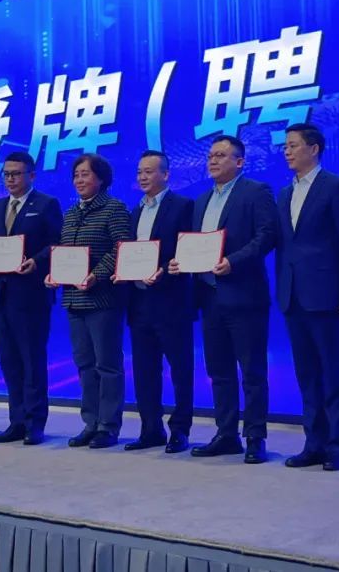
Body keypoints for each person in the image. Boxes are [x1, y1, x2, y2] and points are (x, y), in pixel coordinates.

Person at [169, 134, 277, 464]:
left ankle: (255, 437)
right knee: (219, 370)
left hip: (244, 295)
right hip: (209, 296)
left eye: (220, 155)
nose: (212, 161)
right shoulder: (201, 200)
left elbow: (267, 236)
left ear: (239, 162)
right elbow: (197, 246)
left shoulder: (256, 191)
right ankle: (226, 434)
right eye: (210, 156)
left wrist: (234, 261)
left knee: (252, 371)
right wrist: (180, 262)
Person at [276, 123, 339, 472]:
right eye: (285, 146)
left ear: (314, 149)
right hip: (293, 295)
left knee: (333, 373)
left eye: (293, 145)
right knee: (307, 374)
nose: (287, 151)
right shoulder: (285, 193)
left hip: (327, 294)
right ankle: (313, 444)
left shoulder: (336, 186)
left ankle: (338, 446)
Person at [0, 151, 62, 446]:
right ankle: (16, 421)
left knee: (32, 361)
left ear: (31, 175)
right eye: (6, 174)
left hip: (31, 296)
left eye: (16, 174)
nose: (10, 179)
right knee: (9, 362)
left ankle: (35, 423)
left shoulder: (46, 204)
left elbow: (57, 244)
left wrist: (37, 261)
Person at [45, 153, 131, 449]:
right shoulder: (71, 213)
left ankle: (108, 426)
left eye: (85, 174)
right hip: (74, 299)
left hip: (102, 299)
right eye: (76, 175)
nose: (79, 180)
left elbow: (121, 249)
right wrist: (55, 274)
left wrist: (97, 274)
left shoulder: (114, 209)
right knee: (84, 363)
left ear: (101, 179)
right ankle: (90, 422)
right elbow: (65, 252)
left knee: (107, 365)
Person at [116, 150, 195, 453]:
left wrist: (163, 271)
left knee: (180, 369)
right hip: (139, 301)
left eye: (149, 172)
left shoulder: (182, 206)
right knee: (145, 369)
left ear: (166, 174)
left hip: (171, 300)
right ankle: (151, 428)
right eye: (139, 172)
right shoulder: (134, 211)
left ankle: (180, 430)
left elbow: (187, 251)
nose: (142, 177)